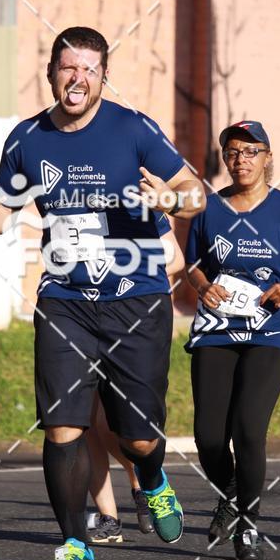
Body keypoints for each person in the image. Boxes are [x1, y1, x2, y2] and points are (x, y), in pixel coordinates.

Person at [0, 26, 205, 560]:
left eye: (89, 70)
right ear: (51, 72)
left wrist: (169, 198)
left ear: (104, 77)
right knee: (62, 429)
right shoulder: (27, 139)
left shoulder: (133, 128)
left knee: (138, 435)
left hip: (137, 299)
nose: (78, 79)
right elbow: (0, 218)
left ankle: (151, 478)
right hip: (65, 301)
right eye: (68, 68)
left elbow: (195, 192)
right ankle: (75, 544)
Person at [184, 120, 280, 560]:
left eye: (251, 151)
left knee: (248, 430)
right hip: (217, 331)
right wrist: (202, 286)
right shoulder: (209, 209)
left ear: (267, 158)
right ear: (224, 159)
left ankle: (247, 524)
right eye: (232, 152)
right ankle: (230, 491)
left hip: (270, 331)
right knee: (209, 437)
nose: (241, 160)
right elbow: (191, 265)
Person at [87, 227, 185, 543]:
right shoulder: (67, 198)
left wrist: (119, 272)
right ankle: (108, 518)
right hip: (78, 314)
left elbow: (175, 259)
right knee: (82, 421)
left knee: (115, 426)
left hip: (130, 318)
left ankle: (143, 483)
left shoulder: (135, 200)